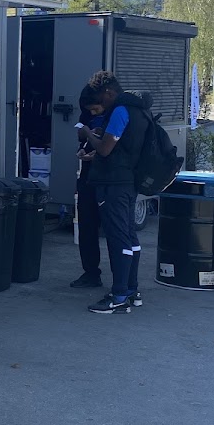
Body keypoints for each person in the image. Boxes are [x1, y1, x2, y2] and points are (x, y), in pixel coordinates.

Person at [76, 71, 148, 314]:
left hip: (114, 184)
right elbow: (124, 147)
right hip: (130, 181)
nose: (102, 107)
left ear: (108, 93)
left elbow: (106, 149)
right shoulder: (140, 110)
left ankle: (118, 296)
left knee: (118, 239)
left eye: (101, 101)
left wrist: (89, 134)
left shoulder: (120, 110)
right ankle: (131, 290)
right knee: (130, 237)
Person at [70, 85, 106, 289]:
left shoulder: (115, 115)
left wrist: (92, 136)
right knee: (86, 225)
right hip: (88, 173)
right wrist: (84, 137)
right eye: (88, 110)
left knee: (114, 229)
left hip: (107, 177)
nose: (92, 113)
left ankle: (123, 280)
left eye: (95, 110)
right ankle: (91, 272)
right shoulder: (86, 113)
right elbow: (80, 133)